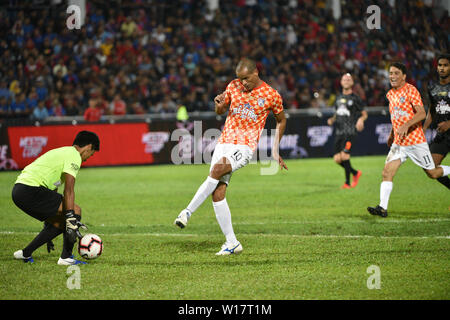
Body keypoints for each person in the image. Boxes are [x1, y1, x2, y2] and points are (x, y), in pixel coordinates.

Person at [174, 58, 288, 255]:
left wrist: (275, 149)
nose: (242, 83)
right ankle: (232, 242)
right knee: (218, 192)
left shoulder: (271, 95)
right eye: (239, 79)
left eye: (245, 78)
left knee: (216, 170)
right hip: (224, 142)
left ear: (255, 73)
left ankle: (187, 212)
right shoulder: (233, 86)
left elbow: (281, 120)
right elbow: (221, 110)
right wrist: (218, 104)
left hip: (244, 146)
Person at [367, 62, 450, 217]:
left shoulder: (411, 90)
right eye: (390, 73)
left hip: (415, 141)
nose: (392, 76)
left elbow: (421, 114)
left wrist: (406, 125)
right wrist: (392, 133)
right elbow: (395, 116)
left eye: (396, 73)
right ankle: (382, 208)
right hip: (399, 142)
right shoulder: (390, 94)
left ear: (404, 76)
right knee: (387, 172)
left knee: (432, 173)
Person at [12, 131, 100, 265]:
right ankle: (66, 257)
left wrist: (49, 227)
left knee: (60, 222)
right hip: (30, 189)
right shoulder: (74, 156)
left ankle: (25, 253)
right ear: (88, 147)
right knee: (75, 211)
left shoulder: (63, 153)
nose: (88, 158)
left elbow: (52, 191)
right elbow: (69, 190)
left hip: (20, 191)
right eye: (91, 154)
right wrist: (71, 217)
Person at [327, 73, 368, 189]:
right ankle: (355, 173)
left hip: (350, 132)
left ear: (352, 83)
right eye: (344, 79)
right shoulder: (338, 98)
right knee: (337, 159)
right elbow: (337, 112)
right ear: (341, 82)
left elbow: (364, 114)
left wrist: (361, 119)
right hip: (339, 132)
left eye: (349, 79)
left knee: (344, 155)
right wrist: (332, 119)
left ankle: (347, 183)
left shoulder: (356, 98)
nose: (346, 81)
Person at [423, 53, 450, 189]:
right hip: (443, 135)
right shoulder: (432, 88)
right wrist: (423, 129)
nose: (442, 68)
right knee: (429, 168)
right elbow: (432, 111)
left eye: (446, 65)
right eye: (440, 65)